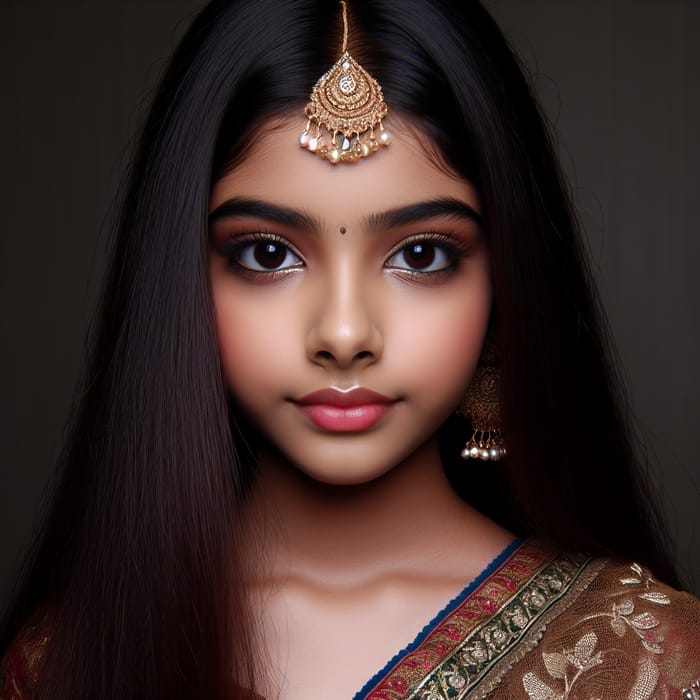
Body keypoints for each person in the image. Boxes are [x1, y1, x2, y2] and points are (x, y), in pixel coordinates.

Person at [1, 0, 698, 698]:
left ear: (507, 283)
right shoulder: (67, 663)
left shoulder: (650, 657)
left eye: (421, 255)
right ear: (180, 281)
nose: (343, 334)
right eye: (268, 253)